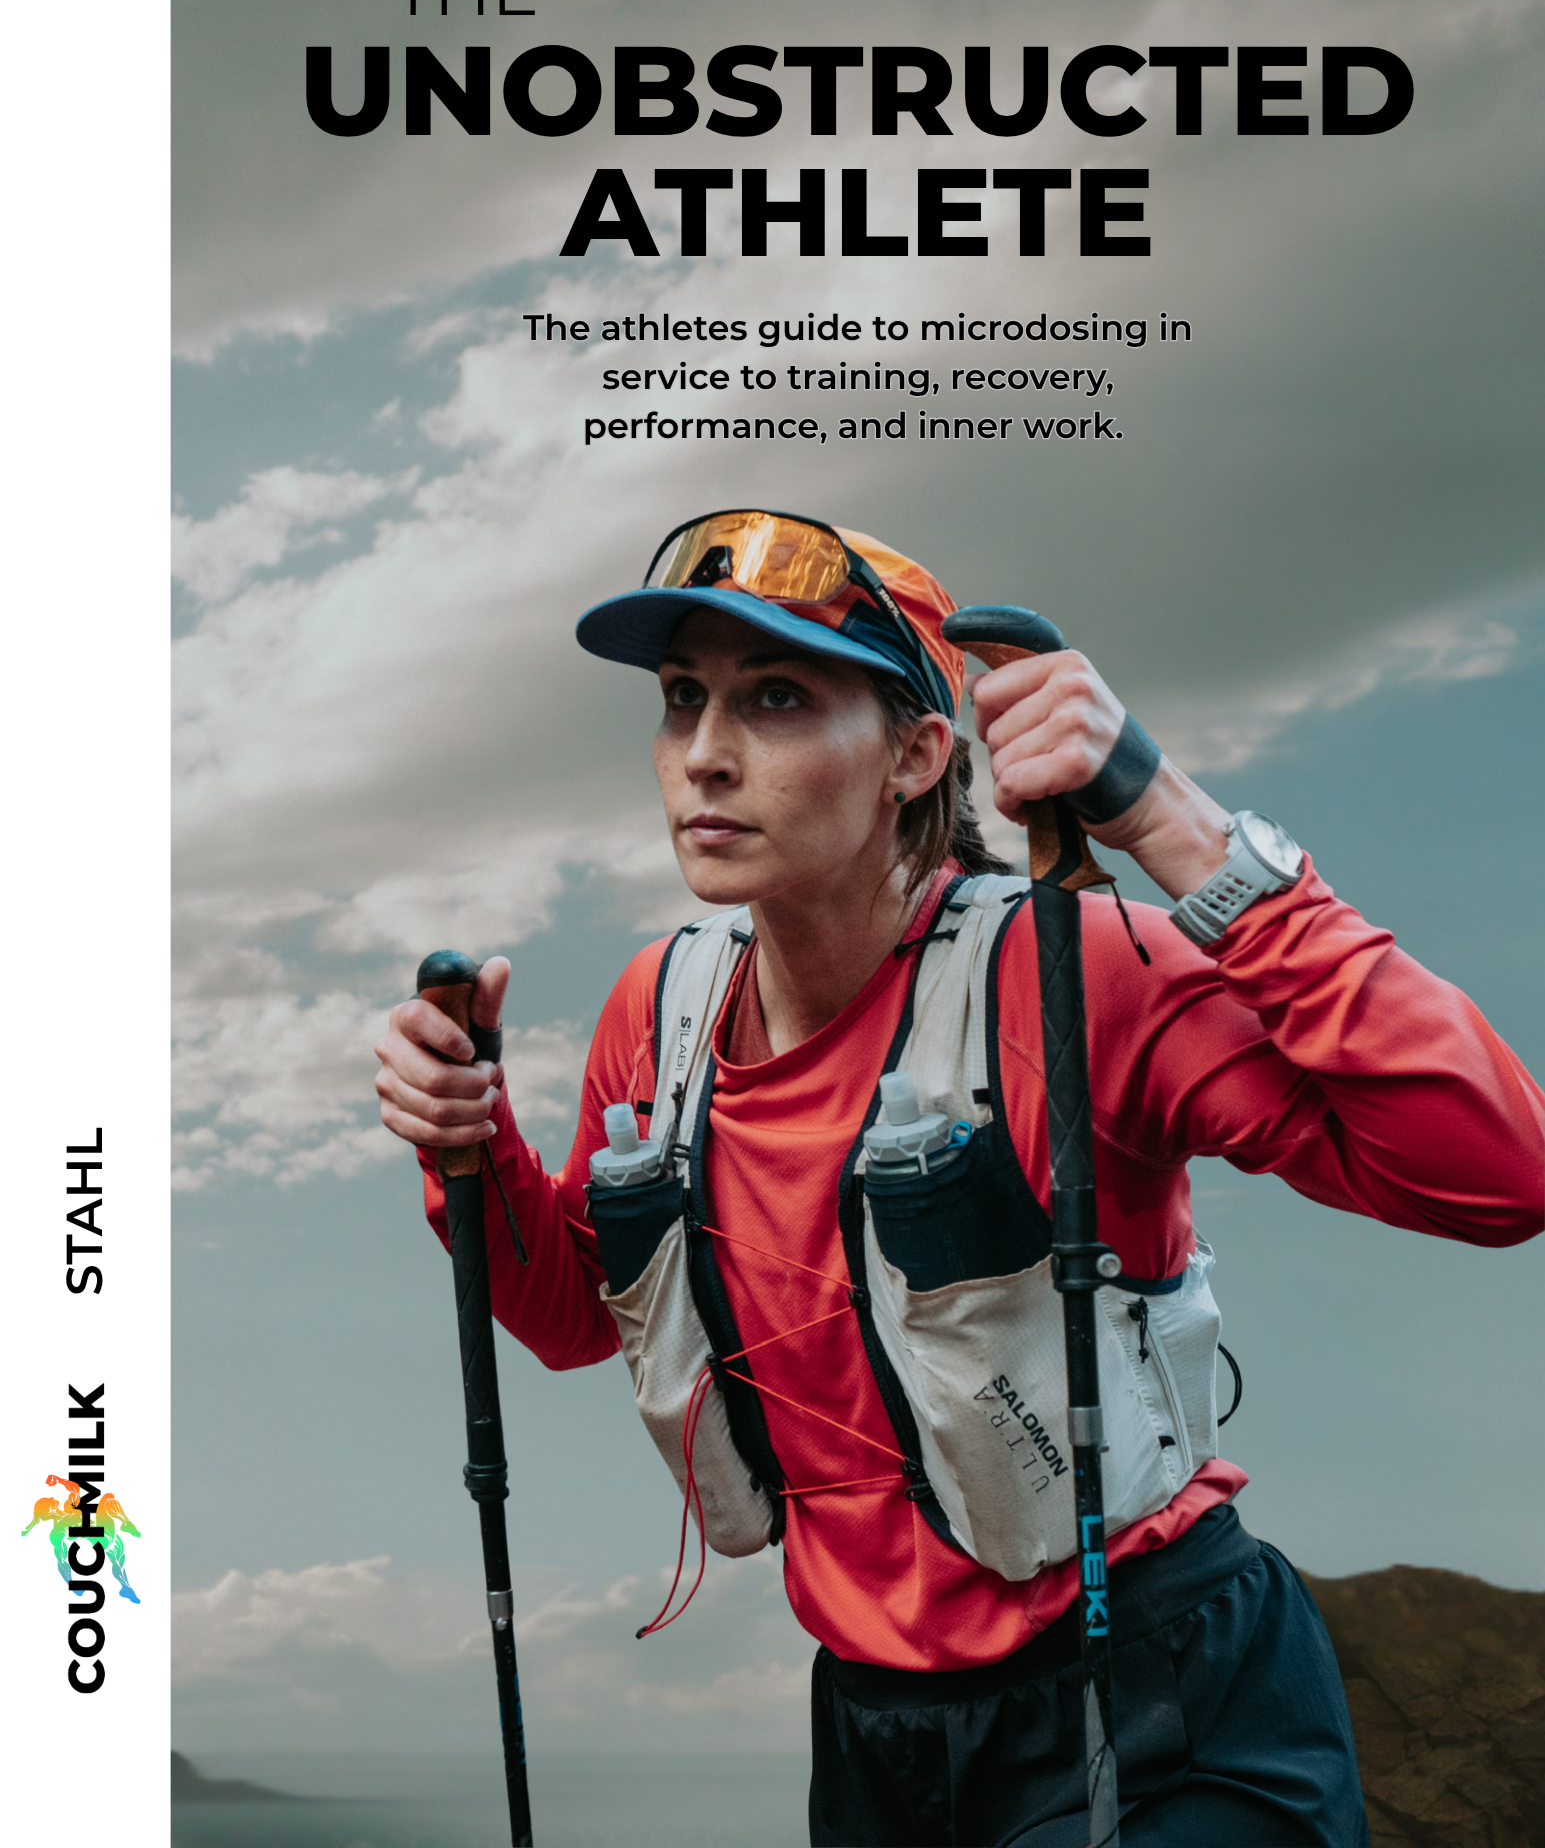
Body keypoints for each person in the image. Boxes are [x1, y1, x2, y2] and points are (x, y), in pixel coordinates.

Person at [374, 510, 1542, 1848]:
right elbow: (585, 1317)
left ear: (917, 755)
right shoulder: (663, 1013)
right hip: (879, 1742)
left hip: (1160, 1705)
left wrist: (1161, 814)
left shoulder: (1076, 968)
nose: (703, 753)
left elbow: (1497, 1172)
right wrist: (466, 1156)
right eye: (683, 699)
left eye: (775, 699)